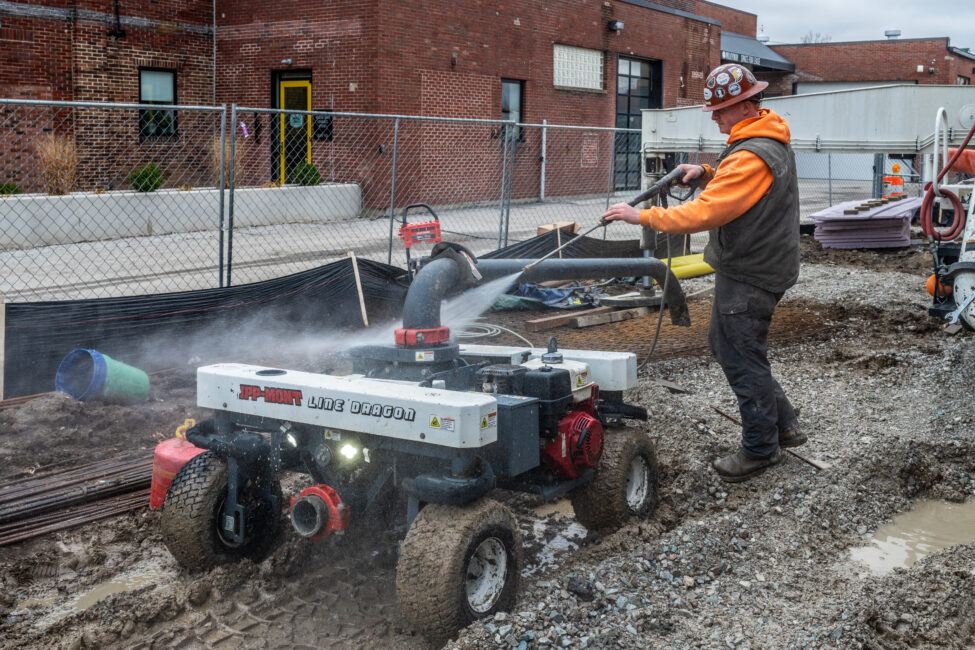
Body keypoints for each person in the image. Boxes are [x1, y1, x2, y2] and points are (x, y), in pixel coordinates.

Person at [603, 63, 802, 483]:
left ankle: (760, 449)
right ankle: (784, 425)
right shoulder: (764, 136)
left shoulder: (751, 153)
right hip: (762, 263)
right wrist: (707, 173)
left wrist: (642, 216)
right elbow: (738, 188)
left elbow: (705, 213)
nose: (714, 117)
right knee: (735, 347)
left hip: (751, 271)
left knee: (739, 354)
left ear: (746, 104)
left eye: (720, 109)